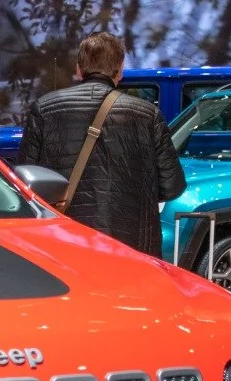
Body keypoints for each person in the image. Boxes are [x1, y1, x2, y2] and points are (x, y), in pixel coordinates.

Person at [15, 33, 185, 257]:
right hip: (131, 246)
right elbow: (172, 185)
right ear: (120, 69)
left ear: (78, 68)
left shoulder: (45, 109)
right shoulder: (148, 115)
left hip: (66, 243)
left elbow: (25, 183)